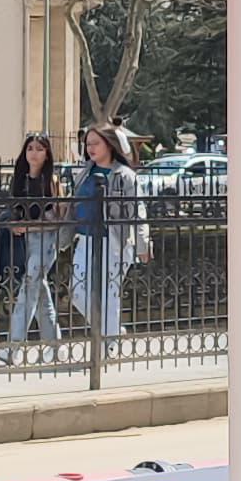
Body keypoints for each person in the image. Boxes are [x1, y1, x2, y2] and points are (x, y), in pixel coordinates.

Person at [70, 122, 143, 341]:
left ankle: (107, 344)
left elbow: (137, 210)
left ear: (109, 145)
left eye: (96, 143)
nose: (90, 148)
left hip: (113, 241)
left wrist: (142, 244)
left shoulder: (124, 175)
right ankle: (110, 330)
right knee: (77, 292)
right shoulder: (84, 172)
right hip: (85, 238)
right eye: (88, 144)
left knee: (109, 295)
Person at [2, 132, 68, 360]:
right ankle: (55, 346)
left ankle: (13, 347)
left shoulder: (52, 181)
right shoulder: (19, 180)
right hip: (27, 243)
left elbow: (57, 219)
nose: (34, 153)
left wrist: (29, 226)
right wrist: (14, 225)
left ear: (47, 153)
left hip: (46, 242)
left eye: (40, 149)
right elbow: (13, 211)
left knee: (29, 289)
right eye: (30, 148)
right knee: (40, 294)